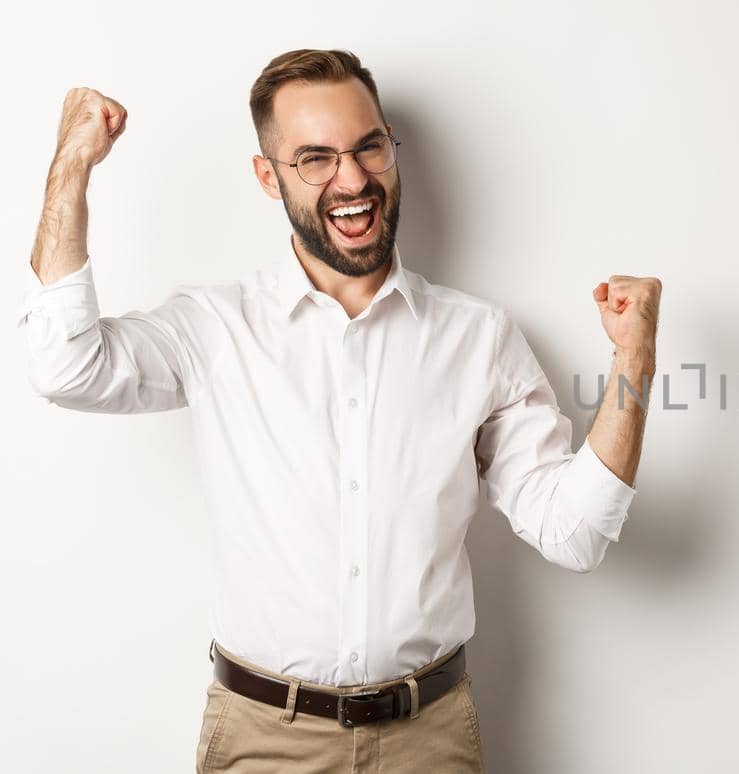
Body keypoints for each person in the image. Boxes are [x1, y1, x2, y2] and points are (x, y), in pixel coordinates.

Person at [17, 49, 661, 773]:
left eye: (368, 148)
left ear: (392, 147)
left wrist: (633, 362)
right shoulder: (214, 328)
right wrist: (71, 164)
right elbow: (64, 366)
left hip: (431, 741)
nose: (352, 180)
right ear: (269, 176)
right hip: (265, 742)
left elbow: (573, 534)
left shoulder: (479, 339)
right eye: (315, 159)